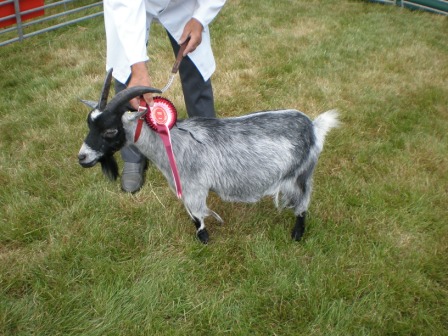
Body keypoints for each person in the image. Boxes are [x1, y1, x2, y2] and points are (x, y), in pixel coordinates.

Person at [103, 0, 226, 193]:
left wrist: (200, 19)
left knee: (196, 67)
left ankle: (208, 149)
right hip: (129, 5)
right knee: (127, 75)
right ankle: (133, 155)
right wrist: (138, 67)